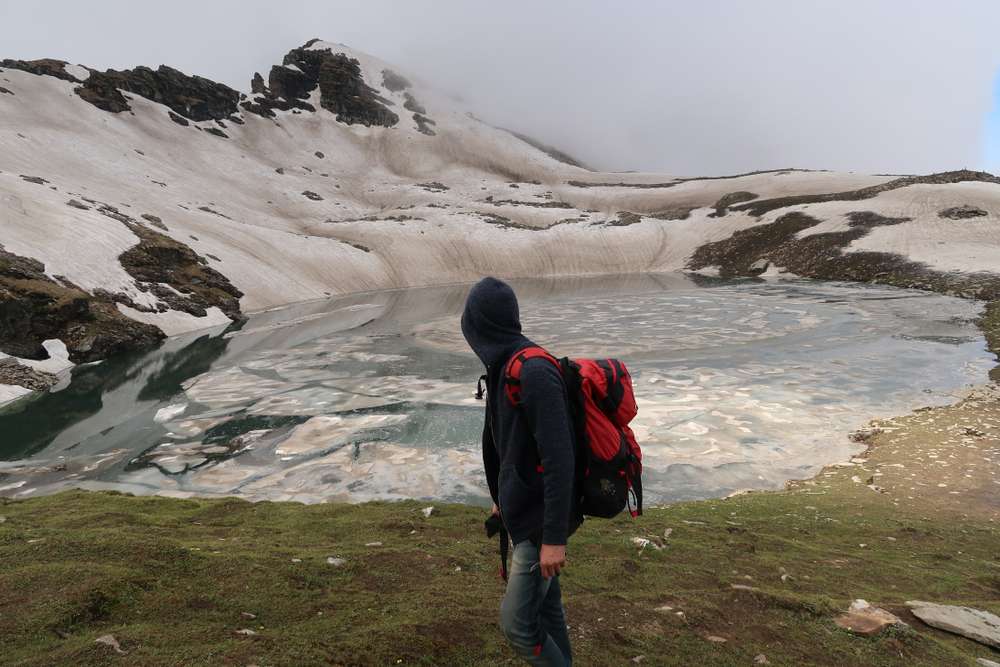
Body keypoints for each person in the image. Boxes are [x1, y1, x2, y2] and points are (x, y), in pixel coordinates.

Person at [461, 276, 582, 666]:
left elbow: (561, 458)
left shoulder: (533, 371)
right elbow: (508, 445)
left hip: (538, 522)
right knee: (546, 612)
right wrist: (501, 500)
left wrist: (554, 538)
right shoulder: (502, 367)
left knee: (518, 625)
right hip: (523, 512)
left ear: (480, 325)